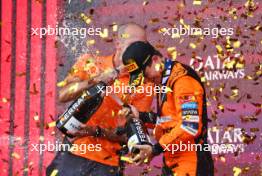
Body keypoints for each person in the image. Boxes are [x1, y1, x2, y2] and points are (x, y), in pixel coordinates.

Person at [46, 23, 154, 176]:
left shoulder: (144, 85)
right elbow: (63, 95)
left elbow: (131, 135)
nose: (138, 51)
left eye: (142, 46)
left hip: (108, 165)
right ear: (118, 43)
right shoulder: (90, 61)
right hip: (73, 154)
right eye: (133, 44)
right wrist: (96, 80)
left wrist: (95, 131)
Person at [121, 41, 214, 176]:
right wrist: (141, 116)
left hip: (191, 164)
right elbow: (171, 119)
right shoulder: (164, 79)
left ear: (155, 60)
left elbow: (190, 126)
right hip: (173, 162)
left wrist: (155, 149)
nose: (145, 81)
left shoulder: (182, 81)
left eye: (144, 75)